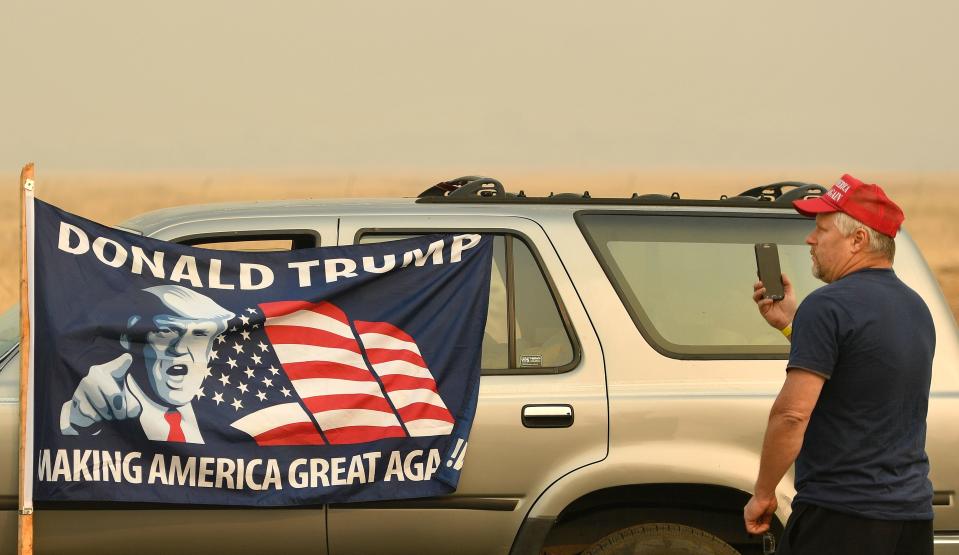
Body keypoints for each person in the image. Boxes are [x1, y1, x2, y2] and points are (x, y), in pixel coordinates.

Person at [743, 174, 935, 554]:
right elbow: (859, 373)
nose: (810, 240)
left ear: (858, 239)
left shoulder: (828, 305)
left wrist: (763, 493)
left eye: (821, 229)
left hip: (841, 516)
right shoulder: (916, 307)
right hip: (911, 517)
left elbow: (792, 414)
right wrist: (790, 324)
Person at [59, 285, 234, 444]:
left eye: (200, 334)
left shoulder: (222, 416)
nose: (180, 348)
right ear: (127, 339)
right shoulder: (103, 407)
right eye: (166, 331)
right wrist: (79, 420)